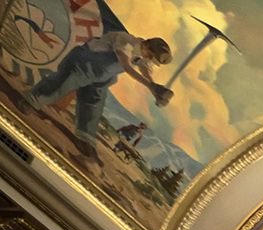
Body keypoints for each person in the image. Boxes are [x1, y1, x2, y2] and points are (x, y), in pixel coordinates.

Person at [26, 23, 173, 150]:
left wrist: (154, 87)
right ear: (146, 45)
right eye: (150, 56)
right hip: (85, 62)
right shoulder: (126, 40)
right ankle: (31, 100)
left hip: (102, 76)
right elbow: (126, 65)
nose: (149, 59)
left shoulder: (141, 54)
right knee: (62, 85)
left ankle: (85, 138)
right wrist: (151, 86)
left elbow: (144, 68)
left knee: (94, 102)